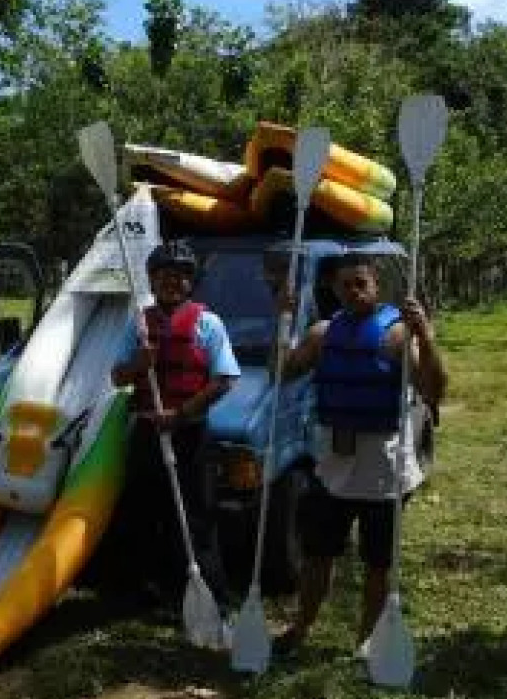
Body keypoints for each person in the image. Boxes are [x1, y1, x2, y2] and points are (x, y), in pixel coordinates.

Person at [272, 254, 447, 657]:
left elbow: (435, 390)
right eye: (344, 284)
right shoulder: (321, 333)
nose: (353, 291)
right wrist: (281, 323)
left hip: (385, 471)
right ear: (334, 290)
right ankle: (301, 627)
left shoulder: (398, 335)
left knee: (378, 563)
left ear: (376, 287)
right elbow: (280, 374)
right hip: (334, 467)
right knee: (317, 555)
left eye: (360, 283)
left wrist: (426, 337)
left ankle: (367, 638)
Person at [109, 240, 240, 645]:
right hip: (149, 431)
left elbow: (224, 380)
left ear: (191, 282)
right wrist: (139, 365)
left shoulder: (209, 324)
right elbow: (118, 377)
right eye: (164, 275)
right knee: (145, 513)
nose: (172, 281)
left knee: (197, 518)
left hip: (188, 432)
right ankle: (153, 593)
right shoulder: (138, 324)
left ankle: (217, 600)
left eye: (181, 275)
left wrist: (180, 415)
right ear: (151, 279)